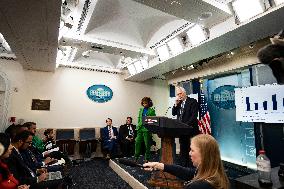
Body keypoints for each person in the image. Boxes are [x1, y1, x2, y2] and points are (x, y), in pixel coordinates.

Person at [143, 134, 229, 189]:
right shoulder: (214, 174)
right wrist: (158, 165)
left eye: (192, 150)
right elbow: (186, 172)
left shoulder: (198, 186)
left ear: (204, 154)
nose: (189, 153)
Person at [172, 86, 199, 167]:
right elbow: (174, 113)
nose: (179, 95)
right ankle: (183, 165)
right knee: (183, 148)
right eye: (177, 94)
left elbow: (194, 116)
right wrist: (176, 104)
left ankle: (192, 167)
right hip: (181, 130)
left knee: (191, 149)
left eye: (180, 93)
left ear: (184, 93)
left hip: (190, 130)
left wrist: (185, 125)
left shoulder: (193, 101)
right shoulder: (179, 103)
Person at [134, 97, 156, 162]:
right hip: (140, 129)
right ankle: (136, 157)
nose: (144, 104)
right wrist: (138, 125)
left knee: (147, 145)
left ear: (149, 103)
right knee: (137, 142)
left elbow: (153, 120)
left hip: (147, 129)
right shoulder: (141, 110)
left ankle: (147, 158)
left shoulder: (152, 110)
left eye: (145, 103)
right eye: (143, 103)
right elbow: (139, 119)